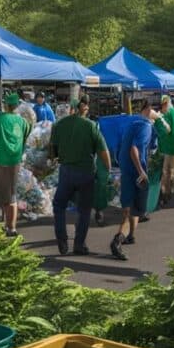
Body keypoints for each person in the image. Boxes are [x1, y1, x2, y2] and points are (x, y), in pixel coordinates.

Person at [50, 95, 110, 255]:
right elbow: (103, 151)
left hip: (66, 171)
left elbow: (52, 149)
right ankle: (79, 244)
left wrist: (56, 158)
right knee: (84, 209)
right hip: (86, 172)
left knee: (59, 206)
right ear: (82, 108)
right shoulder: (91, 126)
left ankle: (62, 242)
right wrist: (108, 169)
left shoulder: (59, 125)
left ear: (71, 109)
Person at [110, 99, 159, 261]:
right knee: (135, 209)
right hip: (136, 172)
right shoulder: (146, 126)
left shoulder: (131, 123)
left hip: (125, 169)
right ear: (149, 109)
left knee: (130, 206)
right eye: (157, 111)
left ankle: (130, 235)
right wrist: (141, 172)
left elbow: (122, 145)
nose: (158, 115)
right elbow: (134, 149)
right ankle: (118, 239)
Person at [0, 94, 31, 237]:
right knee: (11, 193)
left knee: (6, 195)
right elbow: (25, 137)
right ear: (17, 106)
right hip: (15, 161)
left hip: (1, 160)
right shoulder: (23, 122)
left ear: (5, 105)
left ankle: (11, 227)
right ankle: (9, 225)